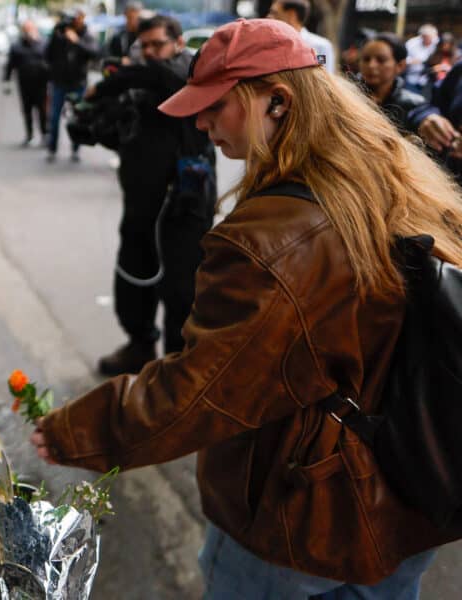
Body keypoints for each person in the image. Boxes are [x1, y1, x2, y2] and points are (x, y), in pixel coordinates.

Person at [31, 18, 462, 598]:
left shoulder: (271, 237)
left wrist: (70, 431)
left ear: (278, 101)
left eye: (214, 106)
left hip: (304, 520)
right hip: (407, 501)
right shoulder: (392, 172)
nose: (201, 122)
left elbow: (199, 392)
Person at [88, 15, 215, 376]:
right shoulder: (139, 80)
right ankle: (139, 344)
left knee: (180, 288)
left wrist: (108, 83)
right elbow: (116, 131)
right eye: (143, 46)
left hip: (184, 204)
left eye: (157, 44)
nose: (150, 53)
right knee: (132, 274)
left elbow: (164, 77)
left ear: (177, 43)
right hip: (141, 201)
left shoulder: (187, 71)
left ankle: (175, 370)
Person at [45, 7, 100, 162]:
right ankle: (52, 148)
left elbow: (95, 53)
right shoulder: (59, 34)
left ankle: (76, 148)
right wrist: (56, 34)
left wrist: (76, 41)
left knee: (78, 116)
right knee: (54, 116)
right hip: (59, 83)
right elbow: (48, 54)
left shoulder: (87, 35)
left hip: (78, 83)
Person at [357, 33, 432, 135]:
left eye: (381, 60)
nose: (371, 65)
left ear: (400, 66)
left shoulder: (413, 105)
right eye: (366, 59)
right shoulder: (346, 97)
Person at [3, 20, 50, 146]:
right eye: (26, 29)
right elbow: (10, 65)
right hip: (24, 84)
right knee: (27, 110)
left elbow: (51, 61)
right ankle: (29, 135)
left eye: (30, 29)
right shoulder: (17, 46)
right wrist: (6, 81)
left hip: (41, 84)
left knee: (42, 110)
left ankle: (45, 134)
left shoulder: (44, 43)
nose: (28, 32)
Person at [267, 0, 335, 74]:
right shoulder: (271, 44)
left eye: (274, 13)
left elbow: (324, 78)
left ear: (291, 15)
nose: (269, 17)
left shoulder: (320, 46)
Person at [106, 1, 144, 65]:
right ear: (125, 15)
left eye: (136, 18)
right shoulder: (118, 37)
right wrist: (120, 60)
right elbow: (108, 56)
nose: (133, 21)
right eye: (130, 17)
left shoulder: (145, 37)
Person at [405, 24, 438, 93]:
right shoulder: (411, 43)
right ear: (422, 36)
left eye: (432, 37)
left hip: (428, 79)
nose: (430, 40)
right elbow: (403, 59)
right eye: (427, 38)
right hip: (412, 78)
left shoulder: (436, 43)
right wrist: (413, 61)